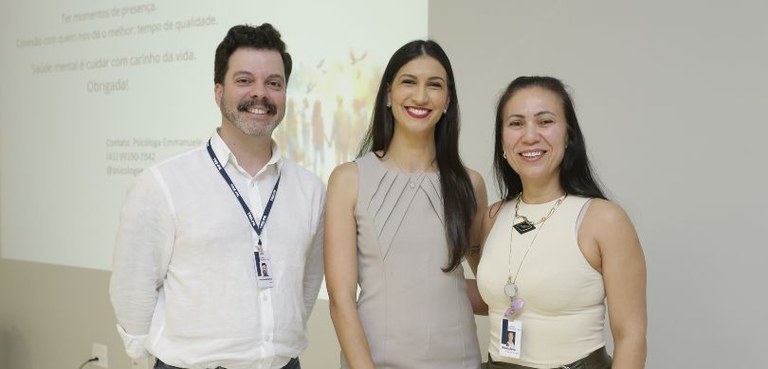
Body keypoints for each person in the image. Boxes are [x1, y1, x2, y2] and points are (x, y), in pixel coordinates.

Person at [109, 24, 325, 369]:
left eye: (274, 83)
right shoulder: (164, 183)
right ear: (218, 91)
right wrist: (142, 356)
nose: (261, 94)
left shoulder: (310, 190)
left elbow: (306, 284)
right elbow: (133, 286)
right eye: (244, 81)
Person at [324, 40, 488, 369]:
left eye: (435, 86)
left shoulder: (469, 184)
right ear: (388, 94)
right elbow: (341, 300)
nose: (421, 96)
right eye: (408, 82)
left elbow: (491, 286)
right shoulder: (348, 180)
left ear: (447, 101)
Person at [477, 76, 647, 369]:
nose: (530, 136)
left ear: (569, 136)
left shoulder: (603, 220)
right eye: (516, 123)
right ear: (502, 141)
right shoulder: (492, 217)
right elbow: (495, 295)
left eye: (545, 122)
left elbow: (631, 336)